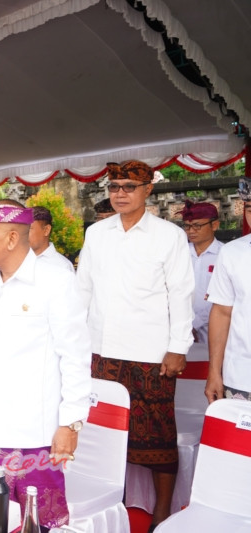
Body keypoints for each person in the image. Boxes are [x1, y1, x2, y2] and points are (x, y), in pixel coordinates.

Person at [0, 200, 91, 529]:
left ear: (12, 239)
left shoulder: (55, 281)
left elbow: (75, 354)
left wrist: (70, 422)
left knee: (36, 522)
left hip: (32, 431)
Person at [77, 160, 193, 529]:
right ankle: (112, 498)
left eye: (129, 186)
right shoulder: (97, 233)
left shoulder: (168, 235)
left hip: (150, 352)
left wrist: (178, 347)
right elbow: (84, 290)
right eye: (114, 187)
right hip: (101, 349)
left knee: (157, 434)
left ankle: (161, 508)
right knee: (103, 431)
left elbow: (181, 294)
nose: (120, 193)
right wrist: (77, 341)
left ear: (147, 191)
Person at [205, 178, 251, 402]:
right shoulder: (232, 253)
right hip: (241, 376)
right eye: (250, 209)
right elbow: (222, 312)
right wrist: (214, 372)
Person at [180, 200, 222, 344]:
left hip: (216, 328)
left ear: (214, 225)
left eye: (197, 225)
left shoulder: (225, 255)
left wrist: (196, 322)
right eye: (187, 226)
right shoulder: (179, 254)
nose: (191, 231)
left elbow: (224, 296)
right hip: (180, 328)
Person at [29, 206, 74, 272]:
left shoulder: (62, 266)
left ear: (46, 230)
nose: (22, 234)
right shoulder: (16, 262)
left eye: (28, 229)